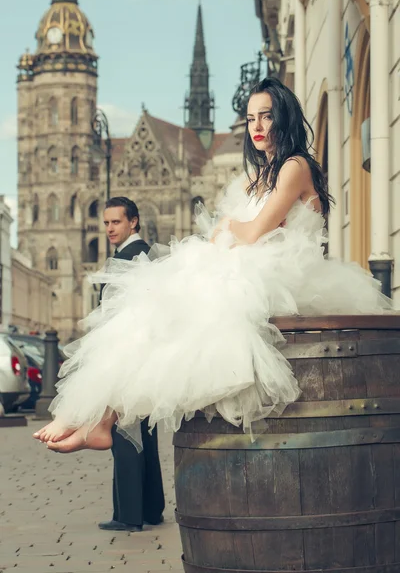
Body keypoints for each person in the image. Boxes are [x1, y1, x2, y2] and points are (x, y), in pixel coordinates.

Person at [33, 78, 391, 453]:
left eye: (266, 117)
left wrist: (229, 228)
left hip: (283, 274)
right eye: (251, 117)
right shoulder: (262, 176)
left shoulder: (295, 166)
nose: (256, 126)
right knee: (152, 314)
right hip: (258, 269)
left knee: (174, 311)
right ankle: (103, 416)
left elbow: (252, 233)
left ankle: (104, 417)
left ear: (283, 120)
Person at [77, 197, 165, 531]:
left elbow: (116, 314)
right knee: (146, 430)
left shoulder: (127, 258)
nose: (110, 229)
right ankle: (151, 509)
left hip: (126, 353)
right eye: (106, 223)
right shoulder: (146, 253)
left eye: (116, 222)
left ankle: (128, 515)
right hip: (144, 354)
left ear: (133, 222)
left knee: (125, 432)